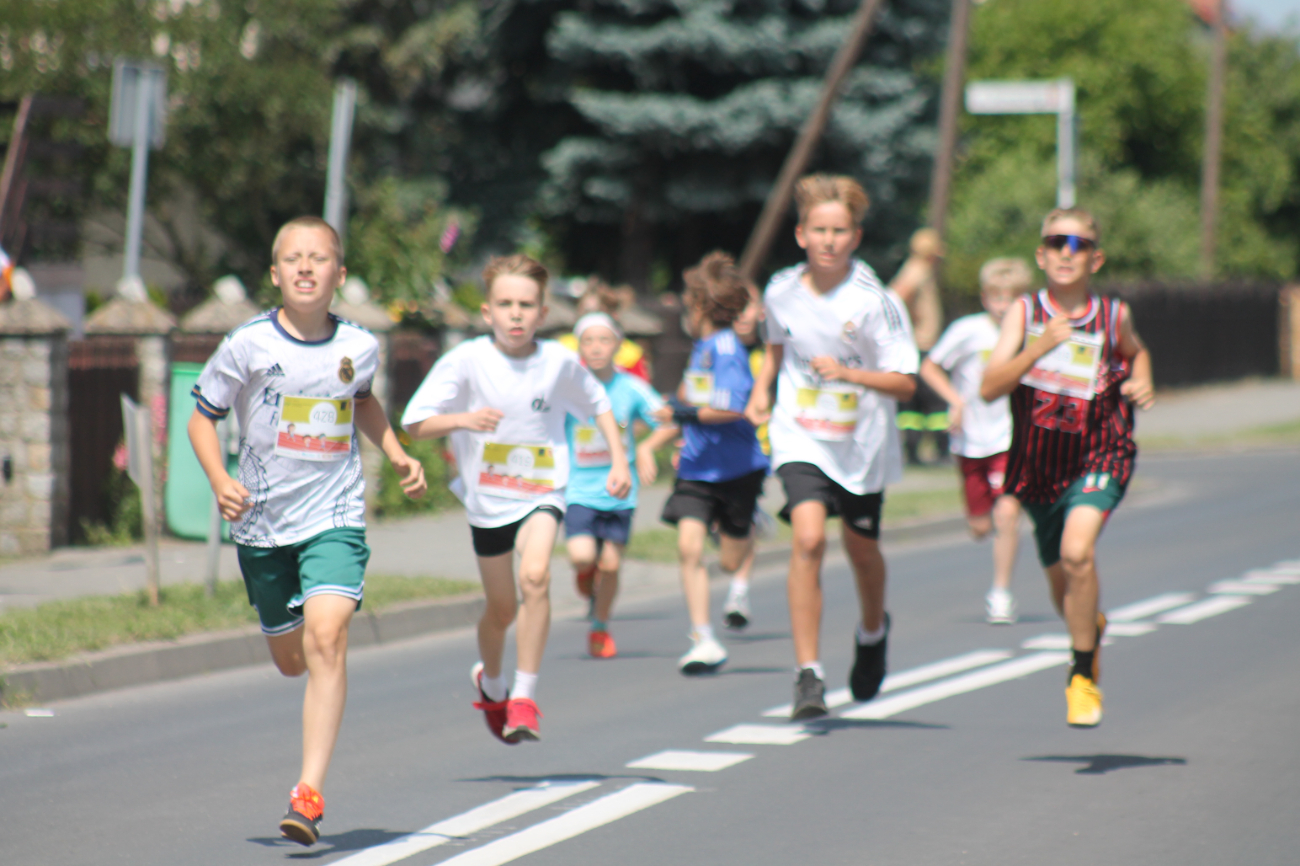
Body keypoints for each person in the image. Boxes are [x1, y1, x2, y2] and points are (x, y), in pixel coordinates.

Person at [187, 215, 428, 847]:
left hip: (333, 516)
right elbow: (201, 419)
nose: (304, 267)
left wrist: (397, 453)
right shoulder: (247, 345)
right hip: (262, 522)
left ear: (338, 274)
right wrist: (219, 478)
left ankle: (308, 793)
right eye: (292, 258)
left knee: (328, 636)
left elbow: (363, 401)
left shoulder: (359, 346)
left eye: (318, 258)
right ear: (275, 273)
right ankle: (287, 632)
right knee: (292, 661)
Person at [401, 254, 631, 744]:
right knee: (502, 610)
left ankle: (524, 697)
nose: (516, 314)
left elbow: (600, 404)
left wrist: (620, 461)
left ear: (543, 313)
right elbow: (414, 422)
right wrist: (464, 420)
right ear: (487, 312)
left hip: (542, 492)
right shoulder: (466, 360)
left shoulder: (558, 362)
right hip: (487, 502)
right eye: (505, 304)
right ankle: (492, 684)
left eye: (526, 305)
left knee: (536, 576)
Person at [746, 174, 918, 721]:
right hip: (801, 434)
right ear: (800, 235)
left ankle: (873, 630)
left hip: (861, 444)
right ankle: (808, 674)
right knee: (809, 538)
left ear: (855, 237)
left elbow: (905, 382)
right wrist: (760, 390)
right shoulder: (780, 290)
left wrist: (850, 374)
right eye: (818, 230)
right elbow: (776, 349)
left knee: (862, 550)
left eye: (839, 231)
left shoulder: (876, 301)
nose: (828, 240)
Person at [981, 208, 1154, 728]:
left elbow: (1136, 352)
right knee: (1066, 587)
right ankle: (1087, 630)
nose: (1066, 252)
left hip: (1101, 454)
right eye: (1057, 242)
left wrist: (1142, 379)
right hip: (1037, 466)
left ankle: (1081, 675)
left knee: (1079, 553)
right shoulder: (1024, 312)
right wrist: (1040, 346)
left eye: (1078, 245)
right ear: (1041, 254)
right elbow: (989, 387)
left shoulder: (1113, 315)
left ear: (1095, 259)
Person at [661, 251, 770, 673]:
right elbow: (690, 397)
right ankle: (703, 638)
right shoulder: (702, 348)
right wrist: (663, 427)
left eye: (688, 303)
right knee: (688, 547)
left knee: (729, 561)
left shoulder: (726, 349)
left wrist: (682, 413)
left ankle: (748, 523)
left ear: (700, 306)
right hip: (696, 467)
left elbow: (732, 407)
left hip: (738, 469)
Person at [920, 258, 1030, 624]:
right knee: (980, 527)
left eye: (1011, 298)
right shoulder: (967, 331)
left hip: (1010, 438)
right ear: (984, 298)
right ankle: (987, 526)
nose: (1003, 305)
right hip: (970, 440)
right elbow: (929, 366)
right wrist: (955, 401)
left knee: (1008, 514)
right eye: (996, 297)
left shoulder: (1032, 335)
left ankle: (1001, 593)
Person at [564, 311, 677, 658]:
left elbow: (668, 421)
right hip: (578, 489)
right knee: (582, 555)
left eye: (604, 340)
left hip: (619, 491)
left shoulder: (631, 387)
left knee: (611, 565)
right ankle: (586, 573)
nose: (596, 348)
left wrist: (647, 447)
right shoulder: (568, 388)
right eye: (588, 341)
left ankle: (600, 627)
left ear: (617, 345)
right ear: (579, 347)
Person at [719, 279, 773, 630]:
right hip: (717, 449)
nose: (741, 315)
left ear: (761, 311)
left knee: (744, 520)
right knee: (721, 526)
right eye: (733, 308)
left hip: (756, 450)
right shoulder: (716, 349)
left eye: (747, 306)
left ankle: (738, 592)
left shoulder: (769, 354)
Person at [891, 228, 948, 464]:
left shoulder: (915, 268)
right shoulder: (918, 270)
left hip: (919, 344)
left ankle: (914, 451)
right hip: (921, 344)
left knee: (913, 406)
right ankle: (939, 450)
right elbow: (899, 295)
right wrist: (911, 318)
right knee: (935, 401)